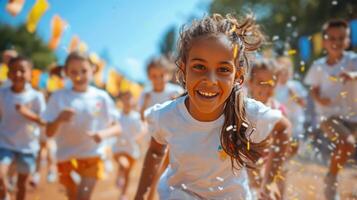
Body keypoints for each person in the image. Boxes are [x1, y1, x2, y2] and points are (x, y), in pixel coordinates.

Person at [135, 14, 291, 200]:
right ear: (183, 69)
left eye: (223, 69)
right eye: (199, 66)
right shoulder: (167, 116)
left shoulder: (248, 112)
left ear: (238, 76)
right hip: (180, 194)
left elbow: (284, 129)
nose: (210, 80)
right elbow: (155, 151)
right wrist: (141, 195)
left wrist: (271, 181)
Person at [42, 51, 121, 200]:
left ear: (93, 70)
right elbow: (48, 133)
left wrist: (102, 134)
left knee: (83, 197)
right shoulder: (58, 97)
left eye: (84, 71)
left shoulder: (101, 97)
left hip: (92, 156)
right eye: (73, 72)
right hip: (65, 158)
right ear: (66, 73)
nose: (79, 75)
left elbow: (117, 127)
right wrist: (59, 119)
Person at [304, 19, 357, 200]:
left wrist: (353, 75)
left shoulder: (353, 61)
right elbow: (313, 89)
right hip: (328, 116)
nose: (336, 41)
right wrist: (319, 98)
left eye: (341, 38)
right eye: (332, 38)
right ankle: (331, 176)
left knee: (347, 147)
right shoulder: (318, 66)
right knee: (347, 143)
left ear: (348, 41)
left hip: (353, 116)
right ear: (324, 41)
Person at [246, 58, 296, 199]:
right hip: (251, 162)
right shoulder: (245, 109)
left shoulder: (279, 110)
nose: (265, 87)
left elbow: (285, 141)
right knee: (257, 189)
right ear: (250, 83)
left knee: (277, 191)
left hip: (273, 161)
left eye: (270, 83)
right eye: (260, 82)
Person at [0, 56, 46, 200]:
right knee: (1, 175)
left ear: (31, 75)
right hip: (5, 143)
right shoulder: (2, 94)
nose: (18, 74)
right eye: (13, 71)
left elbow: (44, 121)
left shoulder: (36, 97)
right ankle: (5, 194)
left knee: (22, 185)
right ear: (8, 74)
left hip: (27, 147)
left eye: (22, 70)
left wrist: (27, 113)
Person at [138, 56, 183, 199]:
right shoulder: (146, 94)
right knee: (155, 171)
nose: (158, 79)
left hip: (173, 138)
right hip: (153, 139)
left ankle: (154, 195)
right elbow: (142, 116)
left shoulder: (175, 91)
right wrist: (145, 104)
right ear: (148, 76)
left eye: (161, 75)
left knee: (163, 171)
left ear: (168, 74)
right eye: (154, 76)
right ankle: (150, 195)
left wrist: (176, 100)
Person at [113, 91, 145, 200]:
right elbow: (111, 125)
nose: (127, 101)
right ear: (121, 100)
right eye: (125, 98)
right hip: (118, 148)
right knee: (124, 164)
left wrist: (138, 138)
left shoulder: (136, 116)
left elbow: (142, 130)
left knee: (127, 174)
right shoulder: (116, 115)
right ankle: (119, 174)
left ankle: (123, 194)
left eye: (129, 98)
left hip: (132, 149)